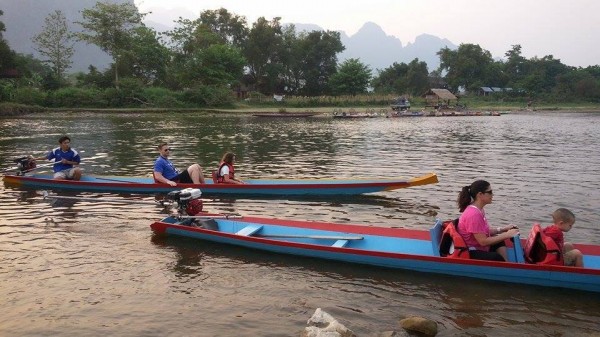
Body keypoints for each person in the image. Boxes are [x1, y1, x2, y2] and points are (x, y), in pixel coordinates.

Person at [456, 180, 519, 261]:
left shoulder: (479, 209)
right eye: (490, 192)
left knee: (499, 240)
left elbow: (484, 231)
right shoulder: (474, 214)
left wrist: (503, 230)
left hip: (478, 245)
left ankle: (506, 264)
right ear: (480, 195)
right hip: (470, 251)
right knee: (496, 257)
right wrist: (507, 235)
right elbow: (483, 241)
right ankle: (504, 267)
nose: (492, 195)